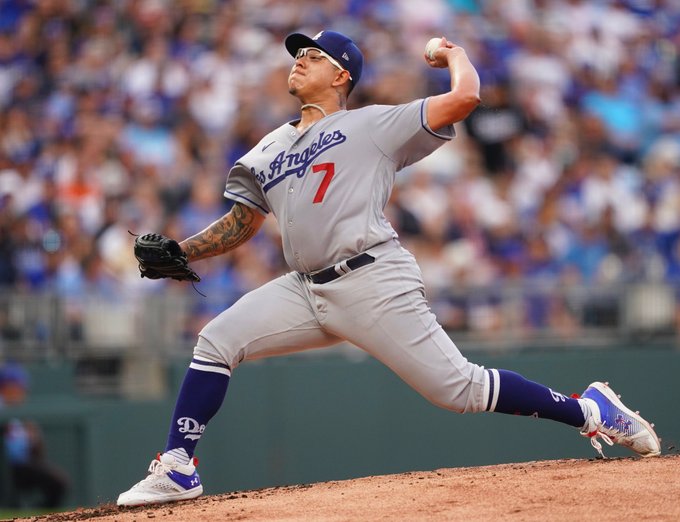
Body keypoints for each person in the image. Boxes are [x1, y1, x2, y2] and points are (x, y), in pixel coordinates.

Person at [116, 31, 661, 507]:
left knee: (460, 390)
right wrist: (183, 251)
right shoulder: (268, 147)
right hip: (304, 288)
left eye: (313, 55)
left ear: (342, 75)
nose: (299, 60)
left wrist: (455, 53)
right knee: (216, 340)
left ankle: (589, 411)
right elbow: (244, 221)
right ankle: (178, 467)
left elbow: (465, 97)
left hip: (371, 278)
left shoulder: (374, 124)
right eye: (298, 54)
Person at [0, 363, 69, 508]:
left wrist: (31, 437)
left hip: (21, 466)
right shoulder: (3, 406)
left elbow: (32, 445)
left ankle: (38, 515)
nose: (22, 392)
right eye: (18, 387)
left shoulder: (19, 412)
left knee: (58, 484)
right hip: (9, 467)